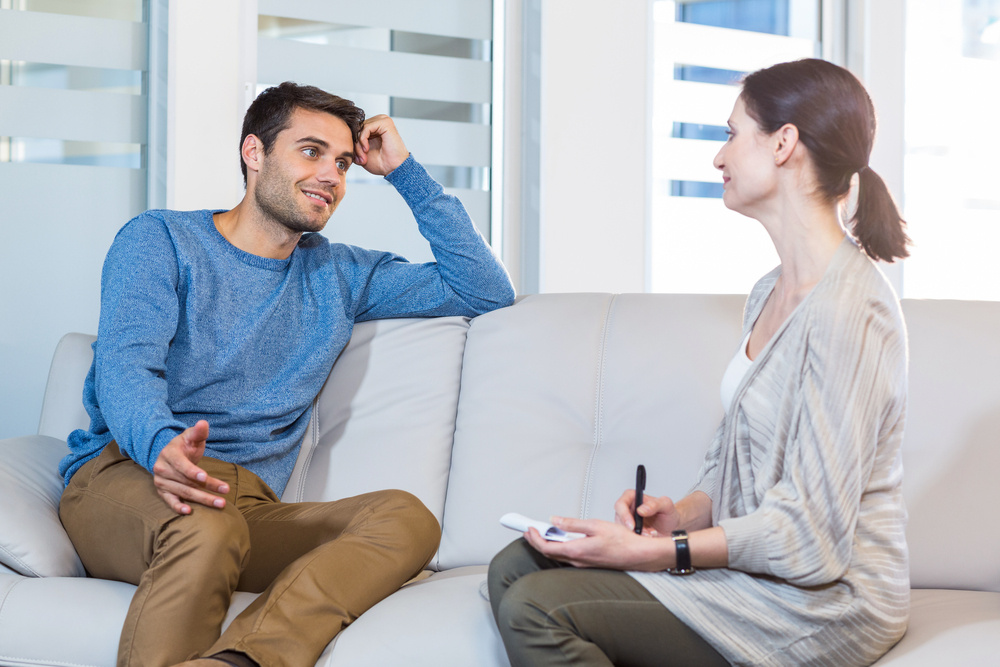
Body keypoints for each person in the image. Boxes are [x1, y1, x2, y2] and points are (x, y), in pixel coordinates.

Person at [58, 81, 515, 667]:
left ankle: (240, 661)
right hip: (131, 475)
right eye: (310, 151)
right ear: (254, 153)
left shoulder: (341, 274)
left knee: (405, 519)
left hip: (246, 507)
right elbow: (127, 362)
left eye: (344, 162)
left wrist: (403, 171)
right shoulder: (161, 239)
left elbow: (483, 288)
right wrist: (160, 444)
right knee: (206, 527)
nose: (332, 175)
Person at [488, 58, 911, 667]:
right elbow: (739, 463)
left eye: (733, 133)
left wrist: (658, 552)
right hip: (759, 571)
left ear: (785, 142)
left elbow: (810, 539)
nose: (719, 157)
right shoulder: (771, 291)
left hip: (822, 602)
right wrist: (677, 516)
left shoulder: (851, 312)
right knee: (517, 563)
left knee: (536, 606)